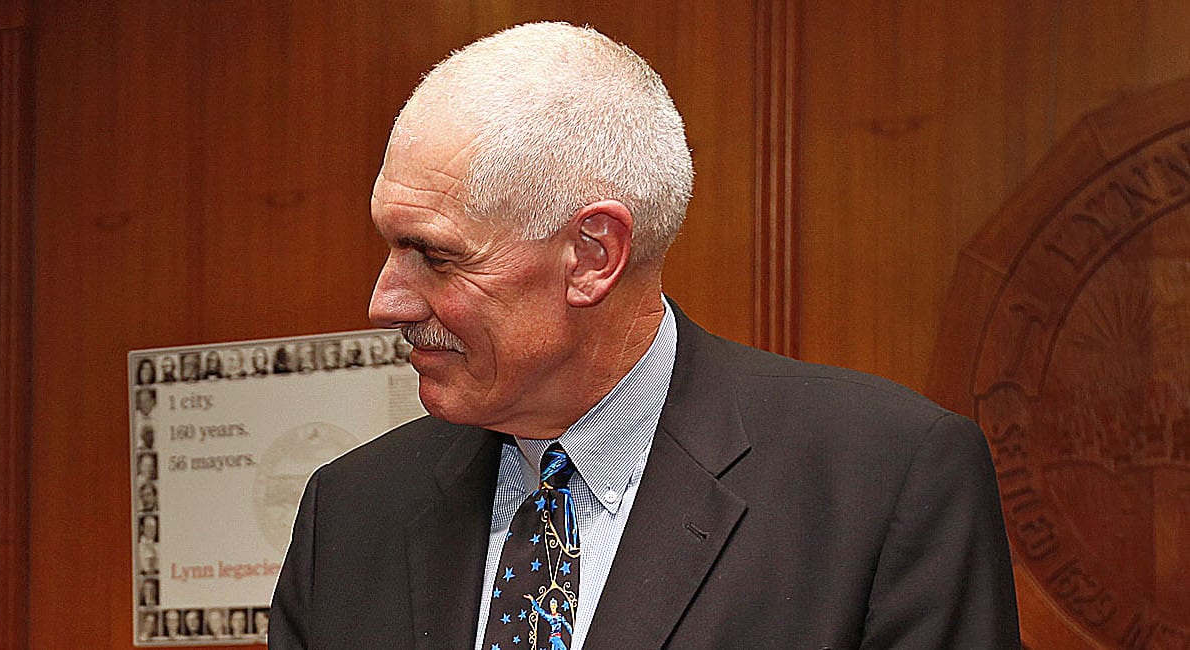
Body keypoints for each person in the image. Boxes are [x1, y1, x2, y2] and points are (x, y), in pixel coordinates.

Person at [270, 22, 1018, 650]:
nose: (385, 302)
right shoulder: (348, 513)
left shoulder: (882, 483)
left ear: (592, 255)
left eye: (434, 255)